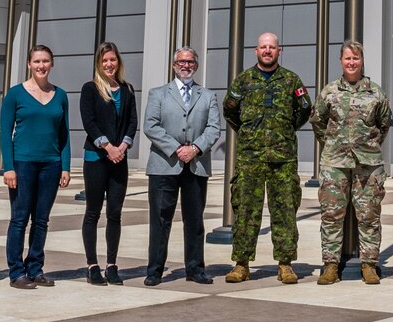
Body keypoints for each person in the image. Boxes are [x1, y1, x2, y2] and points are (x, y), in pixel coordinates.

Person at [223, 32, 311, 284]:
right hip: (250, 157)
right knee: (246, 212)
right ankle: (241, 264)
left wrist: (285, 129)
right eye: (264, 47)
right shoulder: (243, 81)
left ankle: (285, 264)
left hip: (282, 158)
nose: (268, 51)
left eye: (272, 47)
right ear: (256, 51)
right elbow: (230, 110)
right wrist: (248, 132)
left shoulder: (291, 80)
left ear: (279, 51)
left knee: (284, 210)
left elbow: (305, 109)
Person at [141, 47, 222, 285]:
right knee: (160, 219)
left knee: (195, 219)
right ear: (174, 65)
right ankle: (154, 270)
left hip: (196, 166)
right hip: (164, 165)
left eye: (190, 62)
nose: (185, 66)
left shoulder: (207, 96)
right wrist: (177, 149)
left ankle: (195, 269)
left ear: (196, 66)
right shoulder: (158, 94)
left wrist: (195, 148)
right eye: (181, 62)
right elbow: (151, 125)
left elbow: (214, 128)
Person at [314, 39, 392, 285]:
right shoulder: (329, 92)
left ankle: (369, 264)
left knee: (369, 215)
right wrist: (332, 144)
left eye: (355, 58)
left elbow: (385, 123)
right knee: (331, 214)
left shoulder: (375, 92)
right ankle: (330, 265)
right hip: (335, 163)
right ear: (341, 61)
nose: (351, 62)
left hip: (368, 163)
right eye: (347, 58)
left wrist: (369, 145)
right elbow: (317, 121)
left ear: (362, 61)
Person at [2, 44, 72, 290]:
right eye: (37, 61)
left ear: (51, 64)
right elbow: (5, 133)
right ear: (29, 64)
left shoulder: (61, 95)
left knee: (41, 220)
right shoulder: (15, 94)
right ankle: (16, 272)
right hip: (23, 164)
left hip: (51, 165)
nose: (41, 66)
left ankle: (35, 269)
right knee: (19, 219)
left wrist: (65, 166)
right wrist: (8, 168)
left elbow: (64, 134)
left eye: (45, 61)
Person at [79, 42, 138, 286]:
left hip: (119, 160)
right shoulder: (90, 88)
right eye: (104, 61)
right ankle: (92, 265)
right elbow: (88, 121)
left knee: (115, 213)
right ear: (98, 64)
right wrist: (108, 147)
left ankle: (111, 265)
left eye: (112, 60)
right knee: (93, 212)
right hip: (96, 157)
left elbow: (132, 121)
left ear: (118, 62)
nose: (109, 64)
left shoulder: (127, 89)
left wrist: (122, 146)